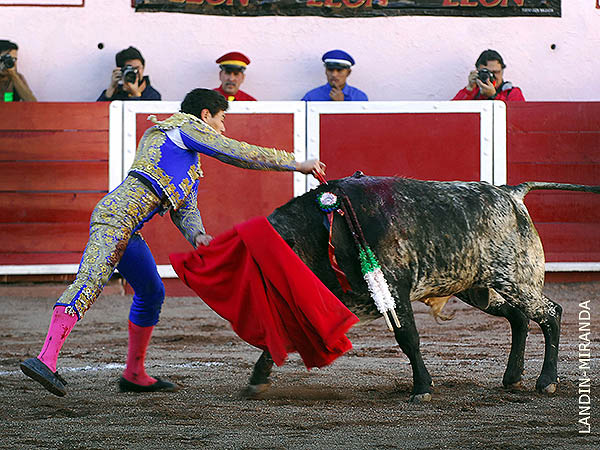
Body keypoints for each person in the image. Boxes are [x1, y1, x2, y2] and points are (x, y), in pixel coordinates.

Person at [20, 88, 326, 396]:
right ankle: (46, 359)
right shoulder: (182, 127)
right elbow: (234, 151)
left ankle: (134, 374)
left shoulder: (184, 154)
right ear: (205, 115)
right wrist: (295, 163)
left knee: (152, 292)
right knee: (89, 283)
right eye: (221, 118)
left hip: (129, 227)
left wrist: (198, 235)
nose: (223, 127)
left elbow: (185, 209)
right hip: (115, 217)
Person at [452, 49, 525, 102]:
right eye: (486, 72)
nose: (491, 76)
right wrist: (469, 89)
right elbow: (452, 112)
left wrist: (494, 96)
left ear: (502, 71)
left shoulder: (512, 93)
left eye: (495, 72)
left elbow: (516, 115)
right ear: (477, 71)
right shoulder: (473, 92)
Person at [97, 46, 161, 101]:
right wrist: (112, 87)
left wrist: (135, 95)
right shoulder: (116, 92)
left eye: (137, 68)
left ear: (143, 67)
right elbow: (97, 110)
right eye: (130, 69)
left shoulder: (152, 95)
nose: (134, 72)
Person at [301, 50, 368, 102]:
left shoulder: (359, 97)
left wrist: (341, 104)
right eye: (330, 70)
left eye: (339, 70)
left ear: (348, 72)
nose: (334, 75)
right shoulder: (311, 97)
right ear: (326, 71)